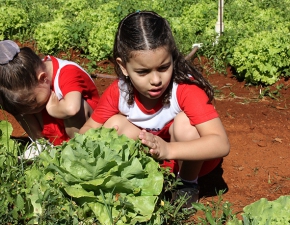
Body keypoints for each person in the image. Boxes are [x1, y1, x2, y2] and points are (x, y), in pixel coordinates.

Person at [79, 11, 230, 207]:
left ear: (172, 58)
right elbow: (86, 131)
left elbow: (221, 144)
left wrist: (167, 149)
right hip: (153, 159)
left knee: (186, 124)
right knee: (113, 125)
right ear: (123, 67)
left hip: (190, 161)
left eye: (164, 67)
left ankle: (186, 185)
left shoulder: (185, 89)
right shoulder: (119, 91)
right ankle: (139, 178)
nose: (156, 80)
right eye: (143, 72)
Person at [0, 40, 100, 159]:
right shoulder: (34, 81)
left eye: (34, 100)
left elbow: (72, 109)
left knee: (76, 108)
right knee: (20, 107)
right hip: (54, 128)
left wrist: (53, 108)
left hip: (85, 130)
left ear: (43, 78)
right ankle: (41, 144)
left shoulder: (67, 72)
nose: (32, 110)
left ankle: (79, 151)